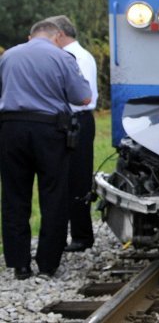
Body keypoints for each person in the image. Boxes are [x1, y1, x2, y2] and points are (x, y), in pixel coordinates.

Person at [0, 20, 91, 280]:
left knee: (14, 196)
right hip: (50, 131)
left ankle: (19, 264)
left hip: (10, 130)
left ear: (31, 36)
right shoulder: (62, 57)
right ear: (56, 36)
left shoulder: (8, 56)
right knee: (53, 195)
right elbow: (83, 98)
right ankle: (48, 263)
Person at [48, 15, 98, 253]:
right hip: (73, 120)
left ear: (59, 34)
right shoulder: (74, 55)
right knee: (69, 178)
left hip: (77, 119)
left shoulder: (77, 57)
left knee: (77, 178)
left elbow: (81, 94)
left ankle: (81, 235)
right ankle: (75, 233)